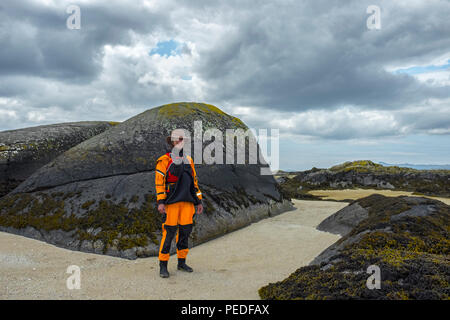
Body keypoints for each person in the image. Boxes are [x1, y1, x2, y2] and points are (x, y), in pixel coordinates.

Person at [155, 129, 204, 278]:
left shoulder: (189, 160)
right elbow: (159, 183)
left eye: (182, 139)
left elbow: (194, 183)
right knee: (168, 234)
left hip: (188, 203)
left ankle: (181, 262)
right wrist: (161, 202)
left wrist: (199, 201)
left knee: (184, 233)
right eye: (177, 139)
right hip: (171, 203)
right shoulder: (164, 160)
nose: (179, 142)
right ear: (172, 142)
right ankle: (163, 266)